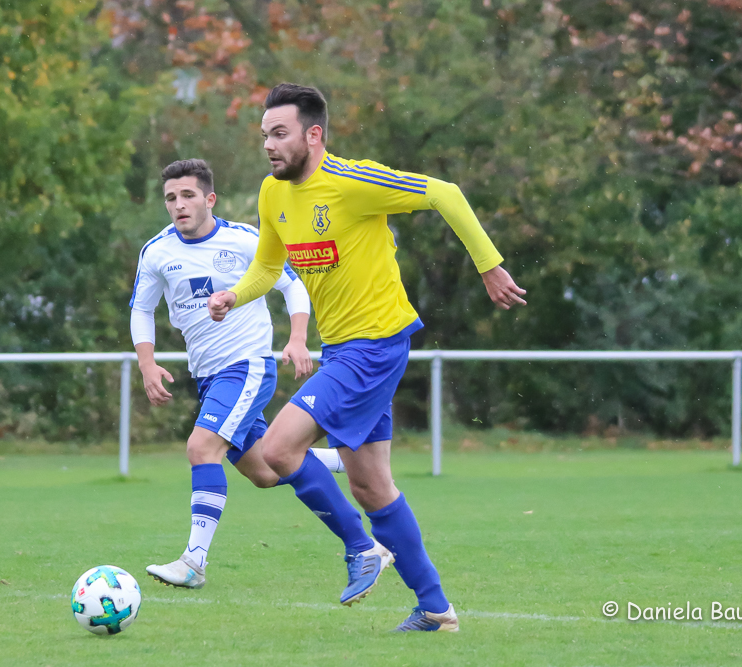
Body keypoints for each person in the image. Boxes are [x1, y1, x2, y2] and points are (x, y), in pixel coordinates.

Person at [207, 84, 527, 631]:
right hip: (342, 351)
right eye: (264, 135)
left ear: (314, 135)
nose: (268, 145)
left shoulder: (352, 182)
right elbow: (268, 266)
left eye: (279, 133)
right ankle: (436, 610)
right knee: (371, 486)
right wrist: (235, 294)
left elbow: (446, 193)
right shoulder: (272, 193)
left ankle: (361, 548)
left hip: (375, 344)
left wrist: (488, 265)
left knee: (278, 449)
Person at [131, 158, 344, 590]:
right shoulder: (157, 251)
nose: (178, 205)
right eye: (171, 198)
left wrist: (297, 338)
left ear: (210, 199)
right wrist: (147, 364)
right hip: (208, 376)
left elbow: (293, 284)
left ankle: (193, 562)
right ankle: (349, 458)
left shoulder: (245, 240)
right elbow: (141, 309)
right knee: (265, 470)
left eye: (188, 195)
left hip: (247, 365)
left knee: (201, 448)